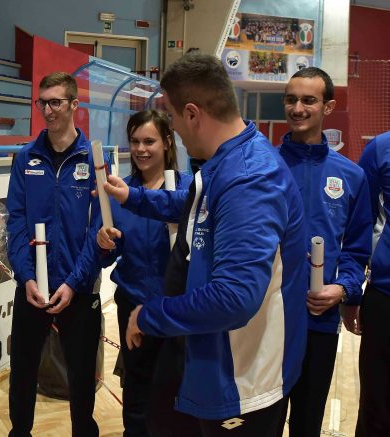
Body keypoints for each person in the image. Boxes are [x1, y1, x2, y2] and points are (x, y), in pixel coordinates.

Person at [103, 53, 308, 436]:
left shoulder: (249, 178)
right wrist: (133, 197)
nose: (176, 130)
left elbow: (234, 297)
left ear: (193, 113)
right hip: (216, 363)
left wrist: (150, 314)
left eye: (173, 118)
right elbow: (195, 206)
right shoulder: (228, 161)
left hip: (244, 382)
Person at [6, 72, 103, 437]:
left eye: (56, 102)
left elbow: (99, 229)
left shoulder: (93, 159)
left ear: (74, 105)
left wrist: (76, 282)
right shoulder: (26, 158)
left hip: (78, 287)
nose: (47, 110)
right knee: (23, 371)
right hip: (33, 286)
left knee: (81, 376)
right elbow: (16, 222)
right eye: (42, 102)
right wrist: (26, 277)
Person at [277, 67, 371, 437]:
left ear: (328, 107)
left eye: (308, 100)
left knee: (307, 423)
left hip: (318, 319)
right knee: (260, 424)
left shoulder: (351, 176)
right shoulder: (264, 166)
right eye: (291, 99)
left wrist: (343, 288)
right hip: (266, 319)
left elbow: (357, 250)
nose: (297, 108)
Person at [96, 109, 193, 436]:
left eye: (149, 141)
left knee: (175, 391)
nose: (140, 149)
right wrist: (103, 243)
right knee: (137, 391)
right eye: (135, 141)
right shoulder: (118, 193)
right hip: (133, 304)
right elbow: (107, 255)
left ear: (167, 142)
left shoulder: (188, 190)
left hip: (178, 310)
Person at [357, 131, 390, 437]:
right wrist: (351, 294)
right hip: (384, 296)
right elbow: (360, 222)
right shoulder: (380, 149)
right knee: (377, 408)